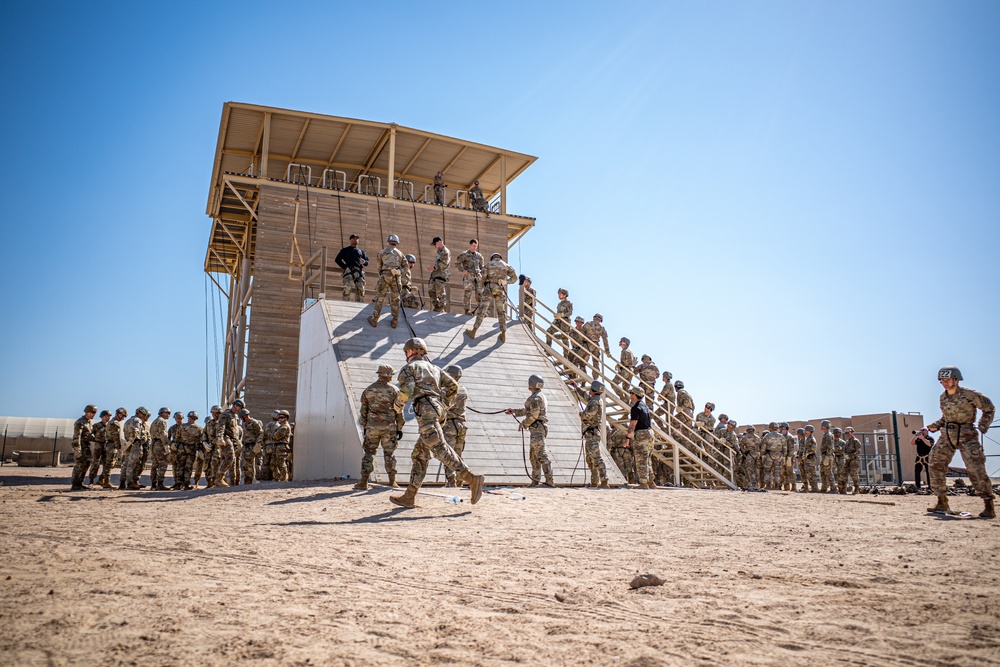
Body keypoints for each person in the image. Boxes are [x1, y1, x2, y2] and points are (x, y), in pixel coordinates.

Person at [390, 338, 485, 507]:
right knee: (420, 454)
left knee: (440, 448)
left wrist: (397, 407)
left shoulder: (409, 368)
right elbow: (453, 386)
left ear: (412, 351)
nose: (406, 354)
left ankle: (471, 478)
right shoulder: (435, 368)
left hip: (426, 410)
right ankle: (410, 496)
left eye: (406, 351)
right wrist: (445, 405)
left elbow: (407, 390)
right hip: (437, 410)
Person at [926, 366, 995, 518]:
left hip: (966, 434)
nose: (944, 382)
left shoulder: (970, 395)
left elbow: (989, 408)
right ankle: (941, 501)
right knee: (935, 463)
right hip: (947, 434)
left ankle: (988, 504)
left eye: (947, 379)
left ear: (956, 380)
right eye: (942, 380)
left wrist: (983, 426)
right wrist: (936, 425)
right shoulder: (943, 397)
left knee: (975, 467)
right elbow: (946, 418)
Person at [355, 365, 403, 490]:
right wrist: (399, 428)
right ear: (389, 376)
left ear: (379, 374)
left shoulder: (369, 390)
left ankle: (363, 482)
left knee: (369, 453)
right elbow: (399, 411)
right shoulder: (395, 391)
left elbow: (363, 411)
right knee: (389, 453)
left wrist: (365, 426)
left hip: (372, 427)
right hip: (389, 427)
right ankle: (392, 481)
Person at [507, 374, 554, 488]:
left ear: (531, 384)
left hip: (537, 428)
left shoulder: (536, 398)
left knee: (541, 455)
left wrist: (523, 424)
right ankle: (535, 480)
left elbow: (534, 414)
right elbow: (529, 410)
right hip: (536, 429)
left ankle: (549, 481)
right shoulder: (538, 396)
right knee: (534, 455)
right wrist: (515, 411)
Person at [465, 252, 518, 342]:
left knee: (482, 310)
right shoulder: (506, 266)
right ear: (500, 257)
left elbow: (483, 278)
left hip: (489, 289)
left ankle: (474, 331)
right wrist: (506, 282)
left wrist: (482, 286)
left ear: (492, 258)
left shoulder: (488, 264)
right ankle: (503, 334)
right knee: (501, 312)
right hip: (499, 290)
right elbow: (515, 278)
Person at [369, 234, 406, 328]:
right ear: (396, 243)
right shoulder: (400, 254)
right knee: (395, 299)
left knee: (380, 297)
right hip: (396, 278)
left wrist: (382, 273)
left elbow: (379, 265)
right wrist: (399, 271)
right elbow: (406, 267)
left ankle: (375, 319)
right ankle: (394, 321)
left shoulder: (382, 252)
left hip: (385, 276)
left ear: (388, 242)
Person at [442, 365, 469, 488]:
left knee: (449, 455)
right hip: (461, 425)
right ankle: (460, 480)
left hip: (450, 426)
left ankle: (450, 481)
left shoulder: (448, 390)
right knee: (458, 454)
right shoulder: (463, 389)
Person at [580, 381, 611, 488]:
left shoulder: (595, 402)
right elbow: (586, 396)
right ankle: (594, 481)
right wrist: (576, 387)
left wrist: (581, 414)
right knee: (590, 459)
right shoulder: (595, 400)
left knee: (596, 458)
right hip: (590, 434)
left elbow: (587, 415)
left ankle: (604, 481)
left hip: (592, 434)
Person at [626, 387, 656, 489]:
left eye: (631, 393)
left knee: (641, 459)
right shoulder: (645, 406)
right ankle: (651, 482)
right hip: (650, 433)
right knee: (647, 459)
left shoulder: (635, 408)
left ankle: (643, 483)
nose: (630, 395)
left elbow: (632, 425)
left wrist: (627, 437)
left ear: (634, 395)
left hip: (642, 434)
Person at [335, 234, 370, 302]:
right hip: (349, 271)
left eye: (357, 238)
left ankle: (359, 304)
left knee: (361, 289)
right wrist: (345, 267)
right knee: (348, 286)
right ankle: (345, 303)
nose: (355, 240)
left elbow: (367, 262)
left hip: (358, 271)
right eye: (354, 238)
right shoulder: (345, 250)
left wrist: (364, 262)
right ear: (350, 240)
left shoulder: (361, 252)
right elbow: (337, 260)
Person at [122, 407, 151, 490]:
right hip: (135, 444)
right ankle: (130, 483)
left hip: (129, 444)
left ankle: (123, 482)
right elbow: (136, 432)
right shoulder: (137, 420)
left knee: (127, 463)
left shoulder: (128, 421)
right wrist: (138, 440)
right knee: (133, 464)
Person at [71, 404, 97, 491]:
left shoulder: (89, 422)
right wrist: (77, 450)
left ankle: (80, 482)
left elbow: (89, 435)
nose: (93, 415)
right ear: (87, 412)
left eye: (94, 413)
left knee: (86, 465)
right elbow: (76, 437)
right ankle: (75, 484)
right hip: (81, 446)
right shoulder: (80, 422)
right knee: (79, 465)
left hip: (87, 446)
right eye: (92, 412)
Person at [455, 239, 485, 315]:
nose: (475, 247)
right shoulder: (464, 254)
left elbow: (482, 267)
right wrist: (463, 270)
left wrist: (482, 275)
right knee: (468, 293)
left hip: (477, 277)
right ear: (470, 245)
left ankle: (481, 311)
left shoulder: (479, 256)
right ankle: (467, 310)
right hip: (468, 276)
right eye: (473, 246)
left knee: (479, 293)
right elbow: (457, 264)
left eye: (476, 246)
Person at [176, 411, 202, 490]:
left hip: (182, 449)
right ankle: (186, 484)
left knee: (181, 466)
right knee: (188, 467)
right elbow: (200, 440)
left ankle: (178, 484)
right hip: (191, 449)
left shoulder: (181, 427)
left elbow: (177, 438)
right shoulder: (199, 428)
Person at [147, 408, 171, 491]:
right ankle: (160, 483)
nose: (169, 414)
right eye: (167, 413)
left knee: (155, 464)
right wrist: (168, 444)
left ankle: (153, 484)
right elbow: (163, 434)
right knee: (163, 463)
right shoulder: (162, 421)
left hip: (154, 444)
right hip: (159, 444)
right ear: (162, 413)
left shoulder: (155, 421)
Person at [87, 409, 111, 487]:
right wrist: (95, 439)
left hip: (107, 446)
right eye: (106, 416)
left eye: (109, 416)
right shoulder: (97, 426)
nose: (108, 418)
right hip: (98, 445)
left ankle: (103, 480)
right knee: (95, 463)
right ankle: (91, 481)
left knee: (107, 464)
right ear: (102, 417)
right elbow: (90, 434)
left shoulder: (110, 426)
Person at [427, 236, 451, 312]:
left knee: (440, 291)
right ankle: (436, 306)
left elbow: (444, 263)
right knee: (431, 290)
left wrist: (434, 267)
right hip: (435, 274)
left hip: (441, 274)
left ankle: (441, 307)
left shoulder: (445, 251)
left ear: (439, 242)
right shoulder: (439, 251)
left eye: (435, 244)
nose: (435, 246)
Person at [240, 409, 264, 485]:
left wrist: (258, 444)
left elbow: (260, 433)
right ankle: (247, 481)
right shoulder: (246, 424)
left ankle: (250, 481)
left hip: (252, 446)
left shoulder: (254, 423)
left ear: (245, 416)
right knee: (245, 465)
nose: (241, 419)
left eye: (241, 417)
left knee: (250, 465)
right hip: (247, 446)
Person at [106, 407, 127, 489]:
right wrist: (119, 448)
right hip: (112, 445)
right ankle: (106, 482)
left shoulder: (112, 422)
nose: (123, 418)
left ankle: (103, 480)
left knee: (109, 463)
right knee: (110, 463)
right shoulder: (115, 423)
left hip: (110, 444)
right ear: (119, 414)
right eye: (123, 416)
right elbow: (116, 437)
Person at [761, 421, 784, 490]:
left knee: (768, 470)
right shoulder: (781, 436)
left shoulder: (767, 436)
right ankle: (777, 486)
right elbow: (784, 447)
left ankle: (768, 485)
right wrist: (785, 456)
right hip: (779, 455)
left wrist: (763, 455)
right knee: (777, 471)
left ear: (770, 428)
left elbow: (763, 447)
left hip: (769, 454)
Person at [272, 410, 293, 482]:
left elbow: (275, 436)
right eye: (279, 417)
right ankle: (278, 478)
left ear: (286, 418)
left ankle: (284, 479)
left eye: (281, 417)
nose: (279, 419)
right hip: (278, 446)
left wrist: (275, 435)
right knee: (275, 463)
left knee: (281, 463)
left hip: (282, 446)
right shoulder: (281, 426)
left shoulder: (284, 427)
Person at [740, 425, 762, 490]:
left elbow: (741, 446)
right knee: (757, 470)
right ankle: (756, 484)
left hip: (749, 454)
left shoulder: (745, 437)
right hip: (757, 454)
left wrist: (744, 452)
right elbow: (760, 446)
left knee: (749, 470)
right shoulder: (757, 437)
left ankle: (751, 484)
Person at [819, 420, 837, 493]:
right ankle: (824, 488)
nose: (822, 427)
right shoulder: (826, 435)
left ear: (826, 426)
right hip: (824, 455)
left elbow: (830, 447)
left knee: (829, 473)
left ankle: (833, 488)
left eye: (822, 426)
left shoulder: (829, 435)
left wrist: (827, 456)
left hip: (827, 456)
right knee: (823, 472)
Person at [843, 426, 862, 494]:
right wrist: (845, 455)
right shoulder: (847, 442)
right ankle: (843, 489)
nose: (847, 434)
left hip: (854, 460)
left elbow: (858, 451)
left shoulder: (856, 441)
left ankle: (856, 489)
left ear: (852, 433)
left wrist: (850, 456)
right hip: (847, 460)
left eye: (848, 433)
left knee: (854, 474)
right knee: (844, 473)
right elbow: (844, 450)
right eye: (846, 433)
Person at [800, 424, 819, 492]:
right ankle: (812, 488)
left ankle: (815, 488)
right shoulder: (807, 439)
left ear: (810, 431)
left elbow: (813, 449)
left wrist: (807, 453)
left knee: (812, 474)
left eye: (806, 431)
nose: (805, 432)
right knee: (808, 474)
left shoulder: (811, 439)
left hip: (810, 459)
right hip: (807, 459)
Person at [832, 427, 847, 494]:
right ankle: (833, 488)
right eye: (835, 433)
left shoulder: (842, 442)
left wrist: (836, 449)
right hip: (833, 458)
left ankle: (842, 489)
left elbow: (842, 450)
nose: (836, 435)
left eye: (838, 433)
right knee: (830, 473)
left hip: (840, 458)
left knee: (841, 474)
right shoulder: (831, 442)